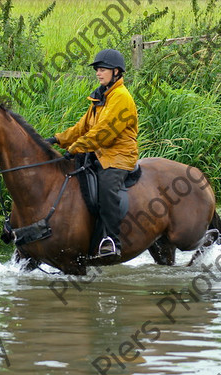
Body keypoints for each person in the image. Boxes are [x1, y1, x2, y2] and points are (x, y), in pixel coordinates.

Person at [45, 49, 139, 258]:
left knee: (106, 190)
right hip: (98, 153)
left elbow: (103, 133)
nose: (98, 73)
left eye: (102, 69)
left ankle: (111, 241)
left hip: (118, 156)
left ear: (116, 72)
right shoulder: (101, 96)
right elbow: (83, 127)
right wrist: (58, 139)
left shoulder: (121, 97)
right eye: (97, 69)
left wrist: (74, 149)